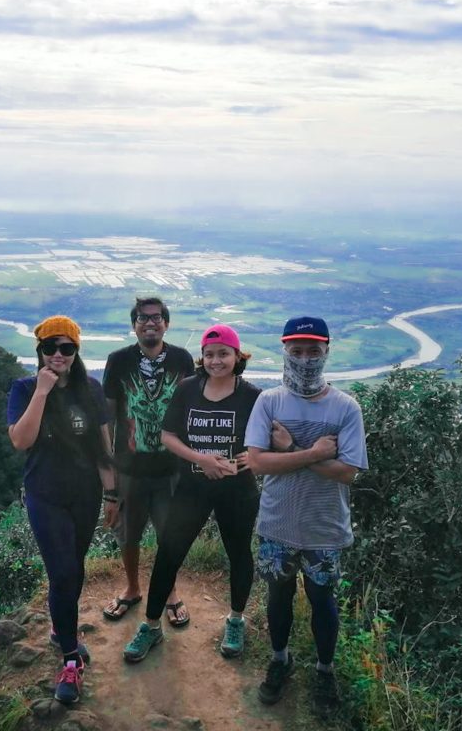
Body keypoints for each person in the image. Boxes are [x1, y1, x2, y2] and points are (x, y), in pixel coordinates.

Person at [245, 316, 369, 720]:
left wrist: (290, 450)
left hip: (324, 528)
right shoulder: (269, 401)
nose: (304, 358)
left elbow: (348, 472)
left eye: (313, 350)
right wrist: (314, 452)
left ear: (326, 351)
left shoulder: (346, 407)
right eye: (296, 350)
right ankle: (280, 659)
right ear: (284, 351)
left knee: (322, 600)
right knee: (278, 597)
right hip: (278, 524)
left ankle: (324, 670)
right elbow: (259, 463)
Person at [122, 324, 262, 662]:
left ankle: (235, 620)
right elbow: (169, 436)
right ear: (203, 357)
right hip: (191, 489)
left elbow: (267, 439)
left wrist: (253, 457)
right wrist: (201, 458)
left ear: (236, 356)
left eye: (223, 353)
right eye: (210, 354)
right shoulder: (187, 389)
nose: (216, 361)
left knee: (239, 553)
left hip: (237, 491)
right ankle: (152, 626)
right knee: (169, 552)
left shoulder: (253, 396)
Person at [7, 315, 118, 705]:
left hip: (85, 496)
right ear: (39, 351)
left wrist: (112, 496)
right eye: (50, 347)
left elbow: (104, 449)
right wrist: (41, 391)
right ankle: (71, 658)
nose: (58, 354)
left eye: (66, 347)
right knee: (63, 571)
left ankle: (61, 630)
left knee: (76, 566)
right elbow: (21, 441)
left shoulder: (90, 388)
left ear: (76, 352)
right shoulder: (23, 389)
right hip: (45, 495)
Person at [102, 297, 195, 626]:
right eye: (143, 318)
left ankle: (170, 592)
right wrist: (109, 481)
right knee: (128, 535)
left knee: (169, 534)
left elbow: (191, 410)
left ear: (166, 324)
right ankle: (132, 589)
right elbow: (107, 419)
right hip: (130, 470)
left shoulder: (183, 360)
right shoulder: (118, 361)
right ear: (134, 325)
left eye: (156, 317)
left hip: (172, 470)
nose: (150, 322)